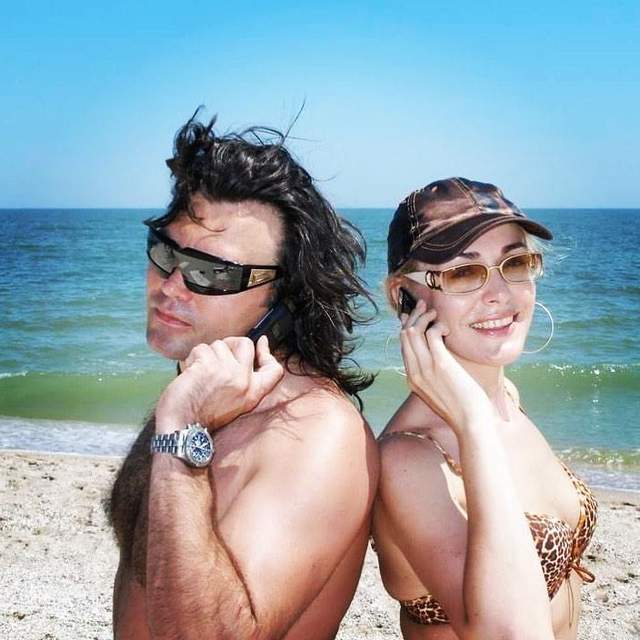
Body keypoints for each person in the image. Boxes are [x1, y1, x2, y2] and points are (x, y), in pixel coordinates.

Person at [107, 112, 379, 640]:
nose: (172, 286)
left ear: (283, 295)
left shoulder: (315, 432)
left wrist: (181, 429)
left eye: (213, 273)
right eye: (166, 252)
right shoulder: (200, 391)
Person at [372, 178, 597, 640]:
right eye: (463, 273)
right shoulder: (408, 460)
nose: (499, 294)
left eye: (514, 264)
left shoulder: (506, 396)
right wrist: (474, 423)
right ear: (403, 295)